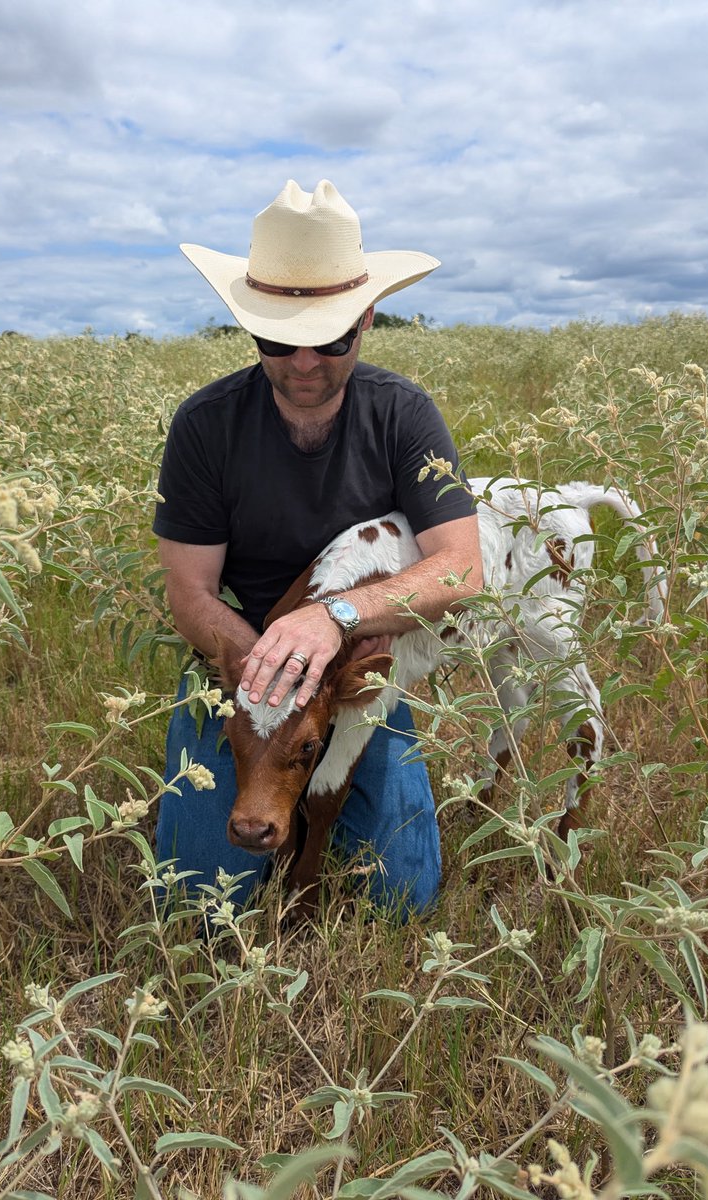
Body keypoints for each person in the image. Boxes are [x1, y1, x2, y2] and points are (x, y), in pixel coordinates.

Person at [153, 179, 482, 916]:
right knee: (200, 897)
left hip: (357, 664)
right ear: (248, 329)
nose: (305, 364)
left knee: (400, 899)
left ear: (367, 320)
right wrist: (256, 669)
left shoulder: (403, 415)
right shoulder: (206, 425)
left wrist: (331, 619)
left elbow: (462, 568)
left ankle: (317, 792)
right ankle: (266, 787)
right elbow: (191, 593)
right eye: (278, 340)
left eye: (330, 339)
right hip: (242, 660)